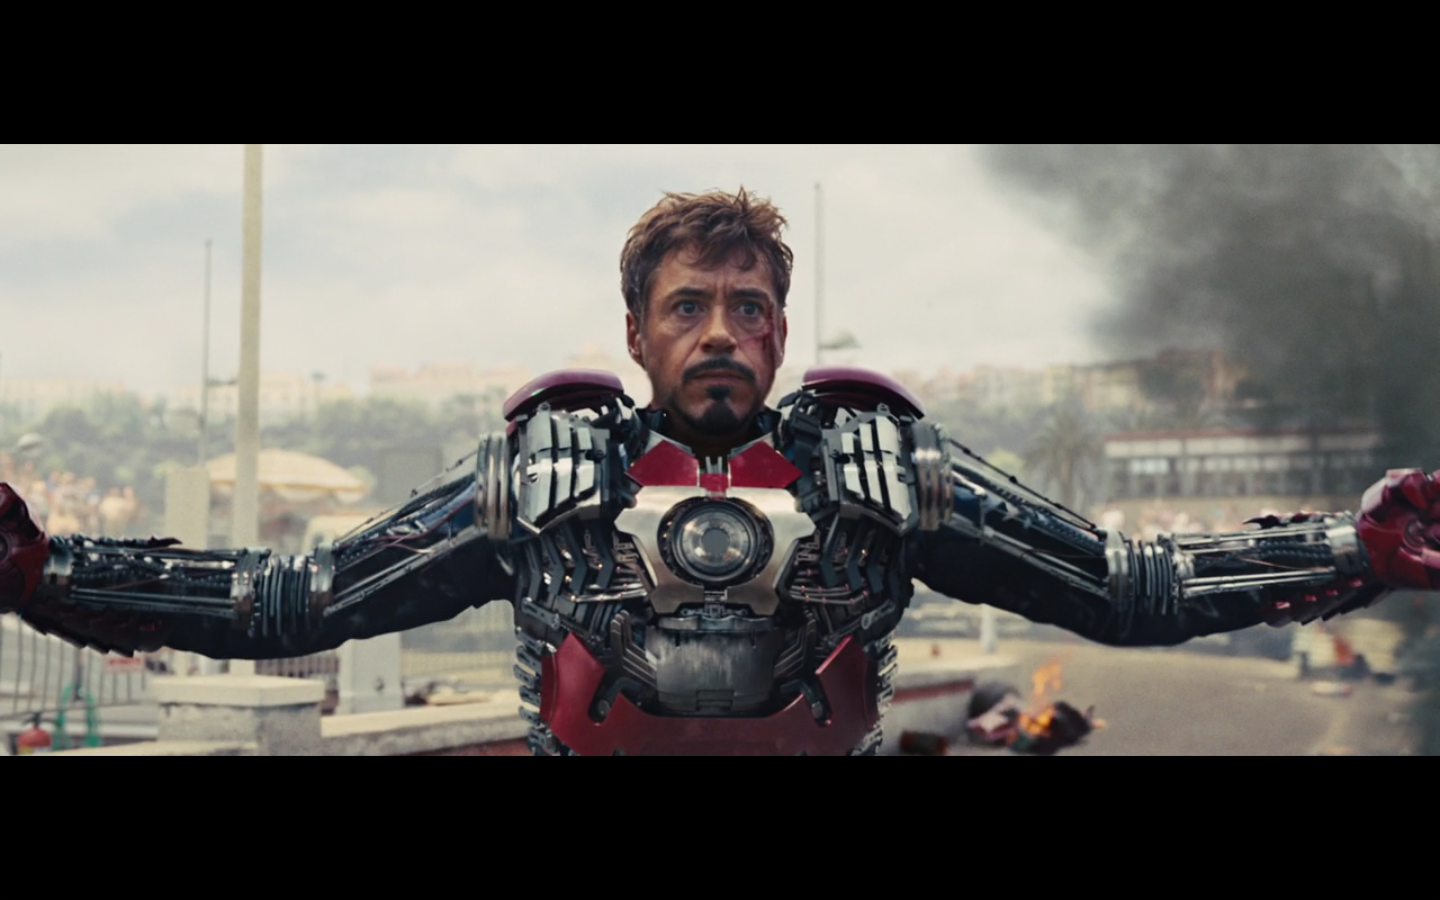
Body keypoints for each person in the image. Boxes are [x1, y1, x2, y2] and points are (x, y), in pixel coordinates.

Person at [2, 188, 1440, 756]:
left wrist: (1356, 550)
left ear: (782, 334)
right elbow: (295, 600)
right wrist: (48, 571)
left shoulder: (881, 470)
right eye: (687, 305)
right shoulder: (544, 475)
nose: (719, 332)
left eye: (748, 307)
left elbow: (1126, 585)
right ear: (636, 332)